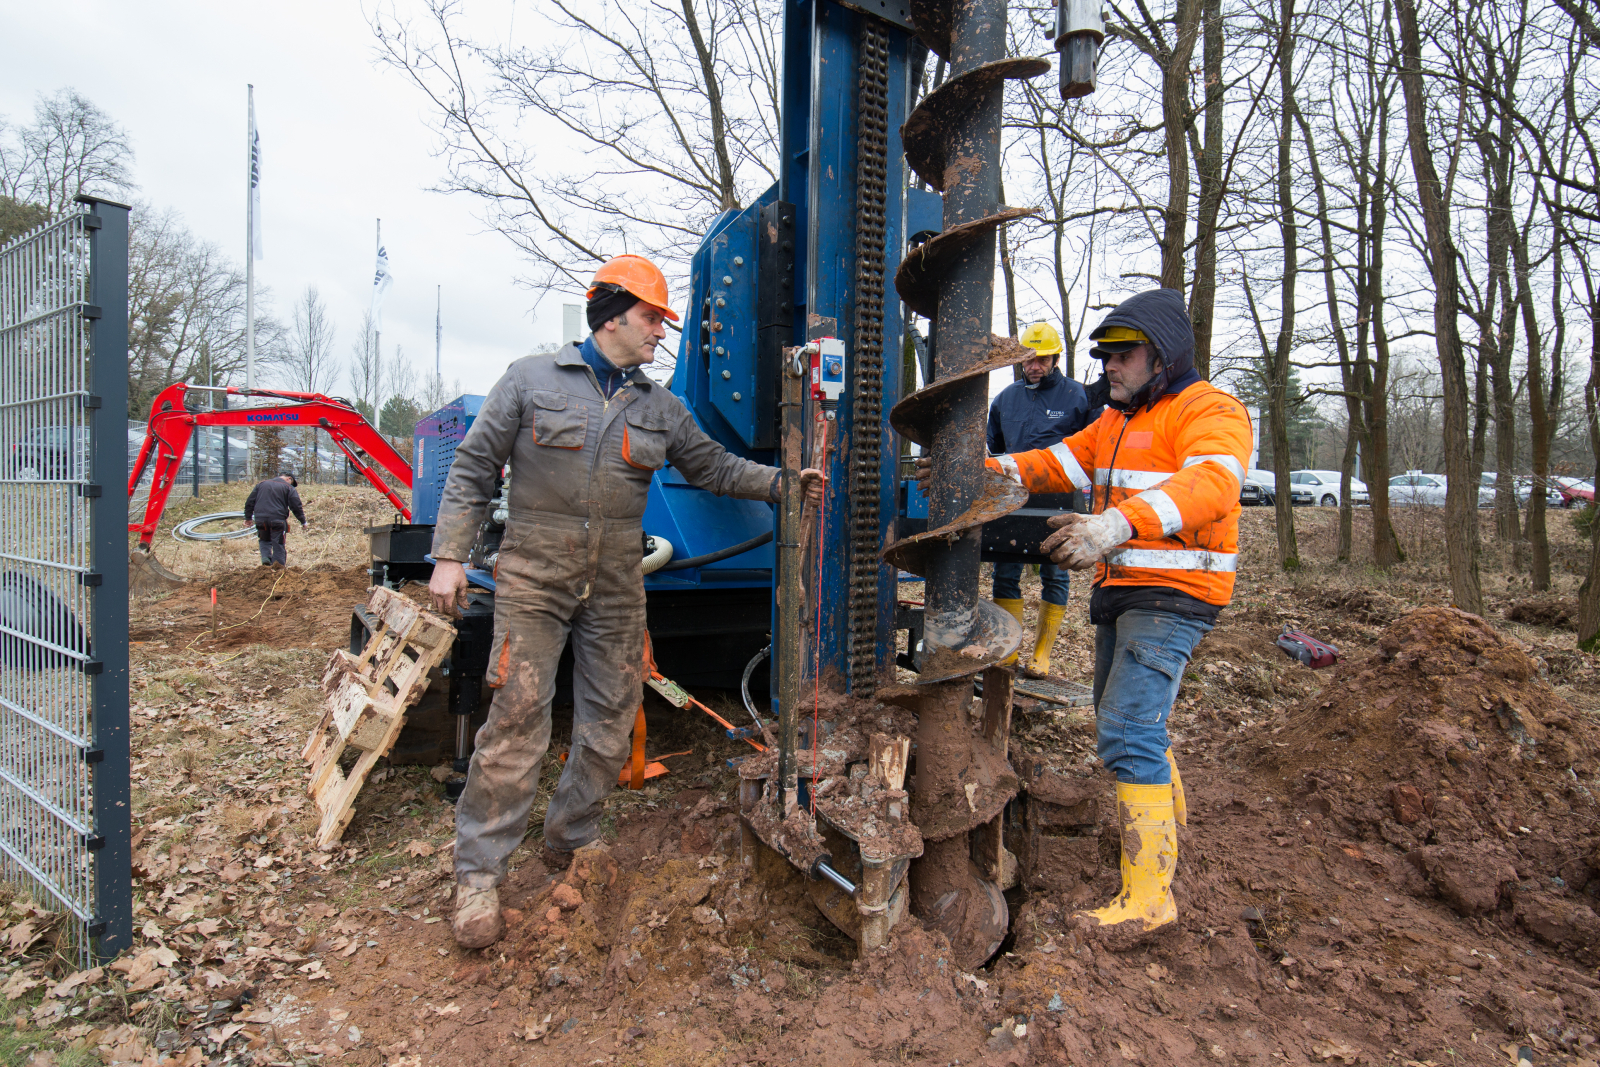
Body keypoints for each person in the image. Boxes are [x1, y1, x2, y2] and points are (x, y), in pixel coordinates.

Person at [428, 254, 826, 950]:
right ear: (611, 316)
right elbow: (472, 467)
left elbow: (713, 466)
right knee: (518, 720)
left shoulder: (658, 407)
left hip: (615, 582)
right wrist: (449, 556)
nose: (660, 333)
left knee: (612, 721)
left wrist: (781, 483)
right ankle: (479, 874)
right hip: (534, 575)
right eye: (650, 318)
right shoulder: (530, 379)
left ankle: (570, 835)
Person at [968, 289, 1251, 946]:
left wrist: (1114, 524)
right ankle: (1171, 827)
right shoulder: (1115, 421)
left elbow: (1213, 485)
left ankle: (1149, 897)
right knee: (1123, 719)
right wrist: (976, 468)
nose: (1108, 367)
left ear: (1162, 355)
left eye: (1122, 355)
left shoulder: (1209, 410)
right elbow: (1052, 462)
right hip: (1125, 591)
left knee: (1127, 727)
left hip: (1175, 595)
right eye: (1104, 356)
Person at [986, 321, 1092, 676]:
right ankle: (1009, 652)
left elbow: (1093, 450)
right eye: (1029, 359)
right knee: (1005, 571)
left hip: (1059, 501)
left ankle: (1042, 656)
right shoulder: (1006, 399)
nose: (1035, 366)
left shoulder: (1077, 397)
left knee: (1055, 575)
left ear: (1056, 359)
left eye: (1042, 360)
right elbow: (994, 447)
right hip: (1013, 498)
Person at [243, 472, 307, 568]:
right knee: (278, 543)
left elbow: (250, 502)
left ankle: (266, 559)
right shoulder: (288, 487)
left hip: (260, 519)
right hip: (278, 520)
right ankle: (278, 568)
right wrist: (303, 521)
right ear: (289, 479)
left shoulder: (261, 484)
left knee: (264, 540)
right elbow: (296, 506)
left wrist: (248, 518)